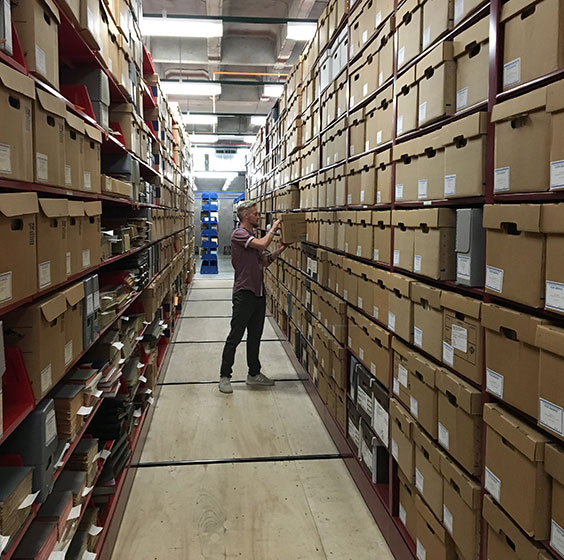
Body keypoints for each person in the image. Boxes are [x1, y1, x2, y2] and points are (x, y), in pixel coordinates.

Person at [219, 200, 287, 394]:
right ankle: (224, 376)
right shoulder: (239, 234)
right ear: (246, 215)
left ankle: (254, 374)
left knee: (255, 336)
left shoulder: (251, 236)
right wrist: (274, 228)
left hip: (258, 293)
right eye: (256, 214)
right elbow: (263, 243)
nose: (258, 216)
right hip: (244, 293)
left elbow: (264, 261)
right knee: (235, 336)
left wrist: (281, 249)